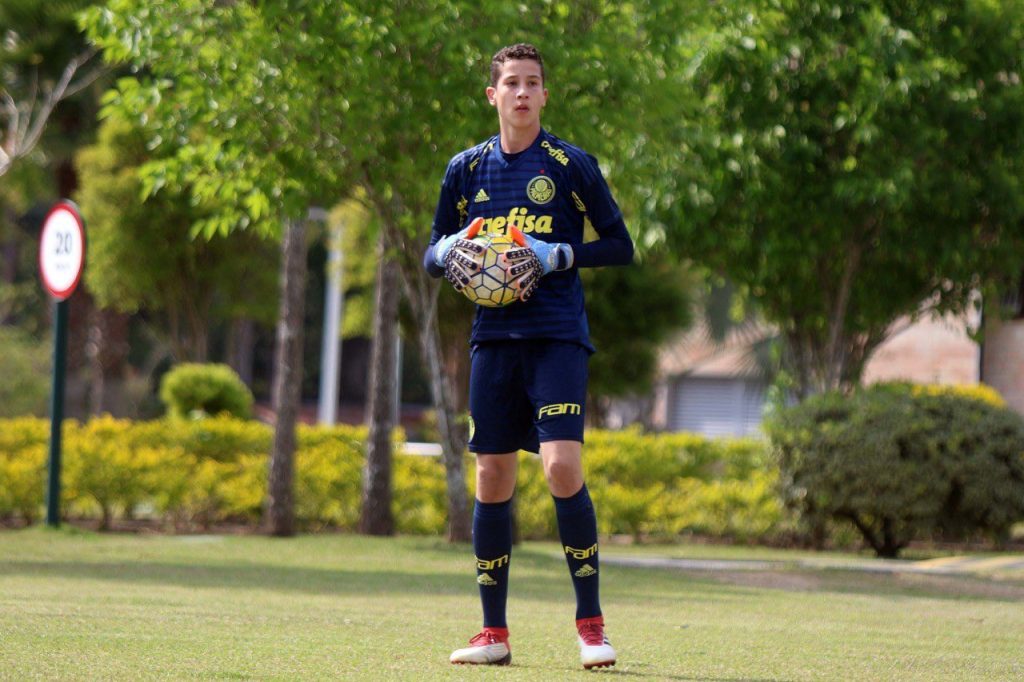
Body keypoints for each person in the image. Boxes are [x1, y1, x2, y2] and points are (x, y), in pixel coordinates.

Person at [423, 43, 634, 670]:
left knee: (561, 469)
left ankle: (591, 627)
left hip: (557, 337)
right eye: (510, 83)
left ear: (545, 95)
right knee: (491, 477)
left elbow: (619, 246)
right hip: (493, 341)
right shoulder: (465, 170)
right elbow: (432, 253)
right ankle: (494, 634)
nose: (521, 92)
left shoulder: (570, 165)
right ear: (492, 95)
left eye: (532, 83)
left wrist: (558, 256)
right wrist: (453, 248)